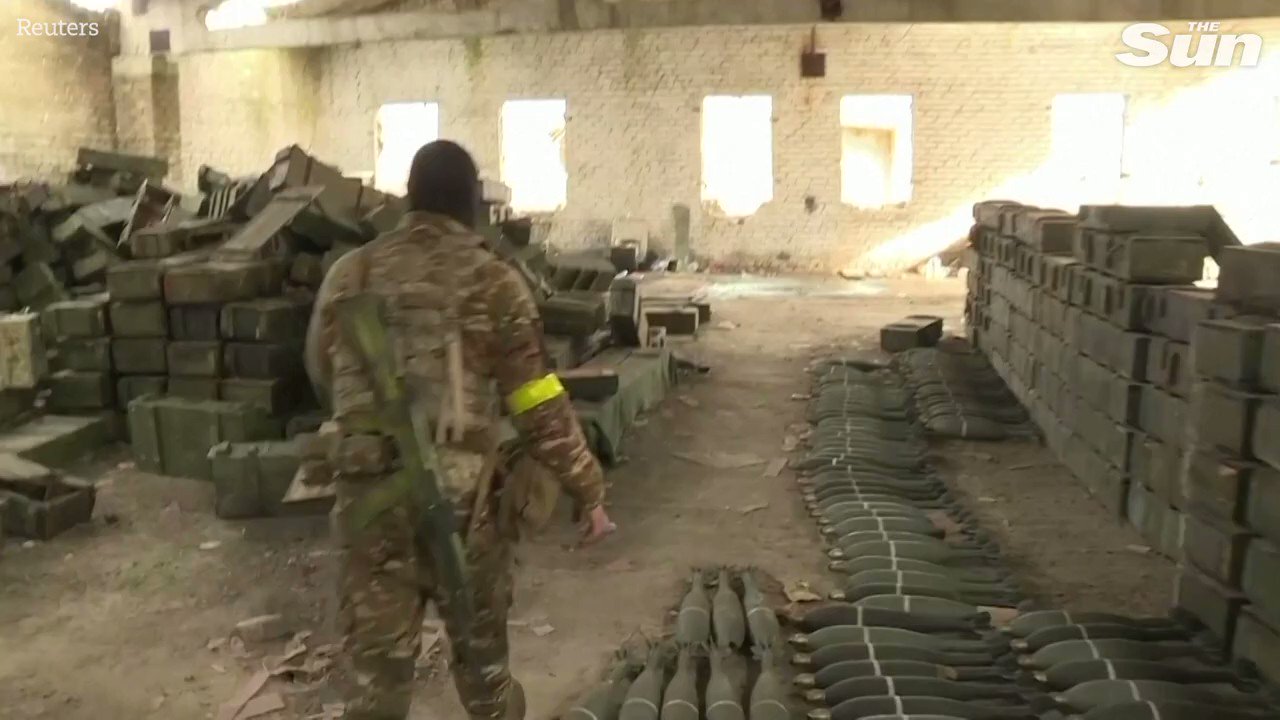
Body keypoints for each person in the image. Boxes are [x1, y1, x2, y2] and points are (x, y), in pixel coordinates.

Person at [304, 139, 616, 720]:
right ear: (474, 205)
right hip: (464, 513)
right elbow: (538, 403)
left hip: (369, 505)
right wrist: (588, 491)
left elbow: (321, 369)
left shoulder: (351, 273)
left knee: (377, 687)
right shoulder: (495, 281)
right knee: (484, 677)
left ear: (408, 198)